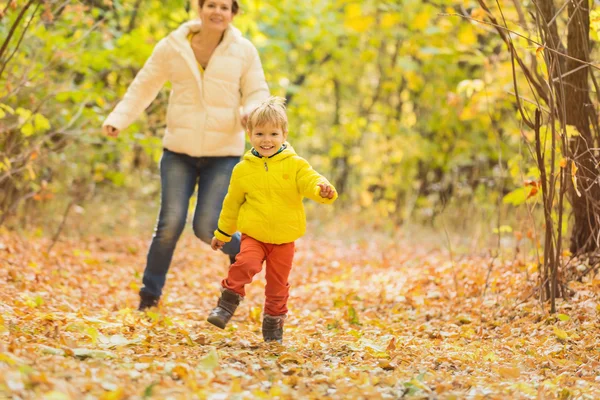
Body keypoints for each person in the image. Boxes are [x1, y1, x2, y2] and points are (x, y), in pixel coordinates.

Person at [102, 0, 269, 310]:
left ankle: (246, 250)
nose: (217, 11)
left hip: (223, 153)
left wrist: (252, 110)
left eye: (224, 6)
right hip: (178, 151)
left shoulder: (243, 50)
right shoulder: (173, 46)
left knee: (207, 227)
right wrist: (118, 118)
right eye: (211, 5)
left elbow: (257, 90)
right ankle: (148, 297)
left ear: (233, 13)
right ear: (199, 8)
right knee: (169, 223)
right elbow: (144, 85)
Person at [206, 96, 337, 343]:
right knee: (245, 264)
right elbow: (232, 204)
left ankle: (273, 326)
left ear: (284, 134)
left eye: (274, 134)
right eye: (260, 134)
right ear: (249, 134)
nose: (267, 140)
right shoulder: (243, 170)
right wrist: (222, 234)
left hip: (284, 238)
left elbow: (311, 180)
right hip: (254, 234)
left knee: (277, 285)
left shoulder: (296, 165)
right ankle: (226, 304)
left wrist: (323, 189)